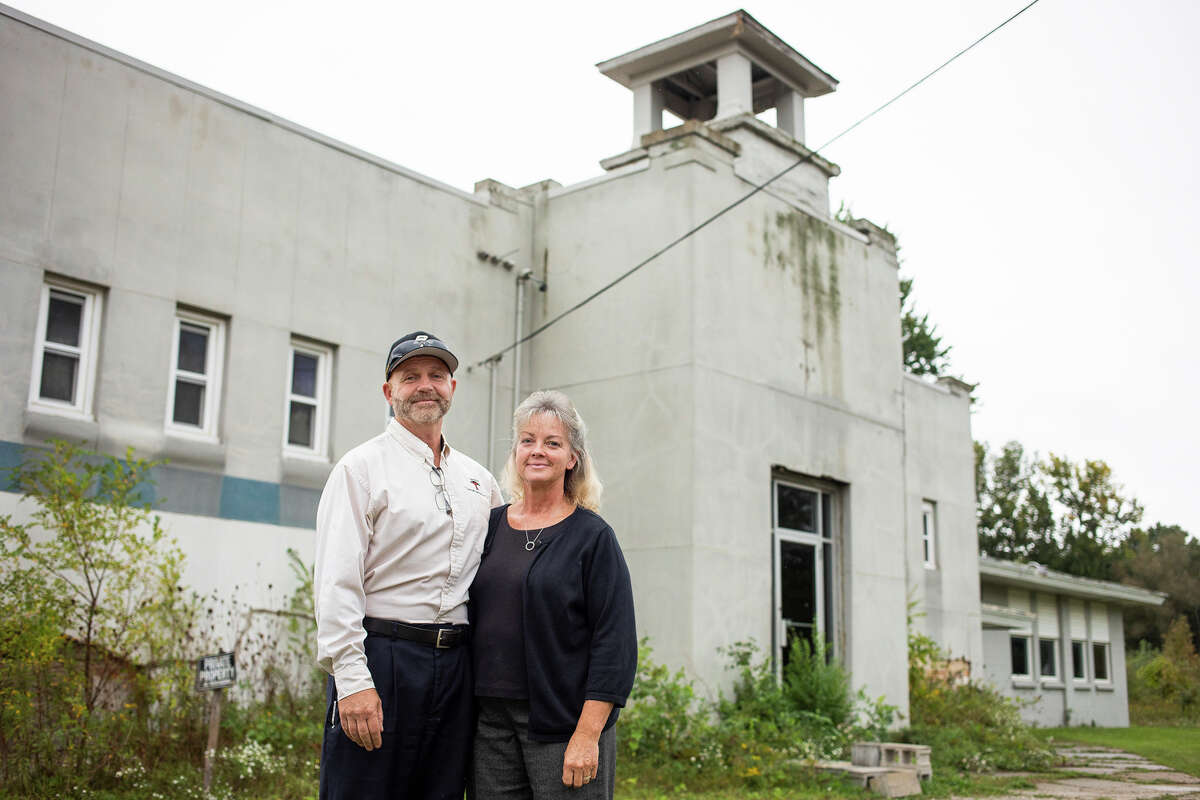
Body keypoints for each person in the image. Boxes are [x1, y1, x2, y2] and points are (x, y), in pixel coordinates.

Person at [314, 331, 502, 800]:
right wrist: (352, 680)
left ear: (452, 388)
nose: (425, 385)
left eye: (437, 375)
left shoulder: (480, 480)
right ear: (388, 392)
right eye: (410, 376)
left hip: (458, 667)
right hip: (384, 657)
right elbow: (336, 583)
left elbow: (500, 576)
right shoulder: (361, 468)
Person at [470, 390, 637, 799]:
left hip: (563, 724)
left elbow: (614, 644)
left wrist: (587, 734)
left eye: (552, 442)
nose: (537, 451)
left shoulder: (592, 537)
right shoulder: (489, 526)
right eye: (527, 440)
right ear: (515, 452)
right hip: (489, 724)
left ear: (572, 457)